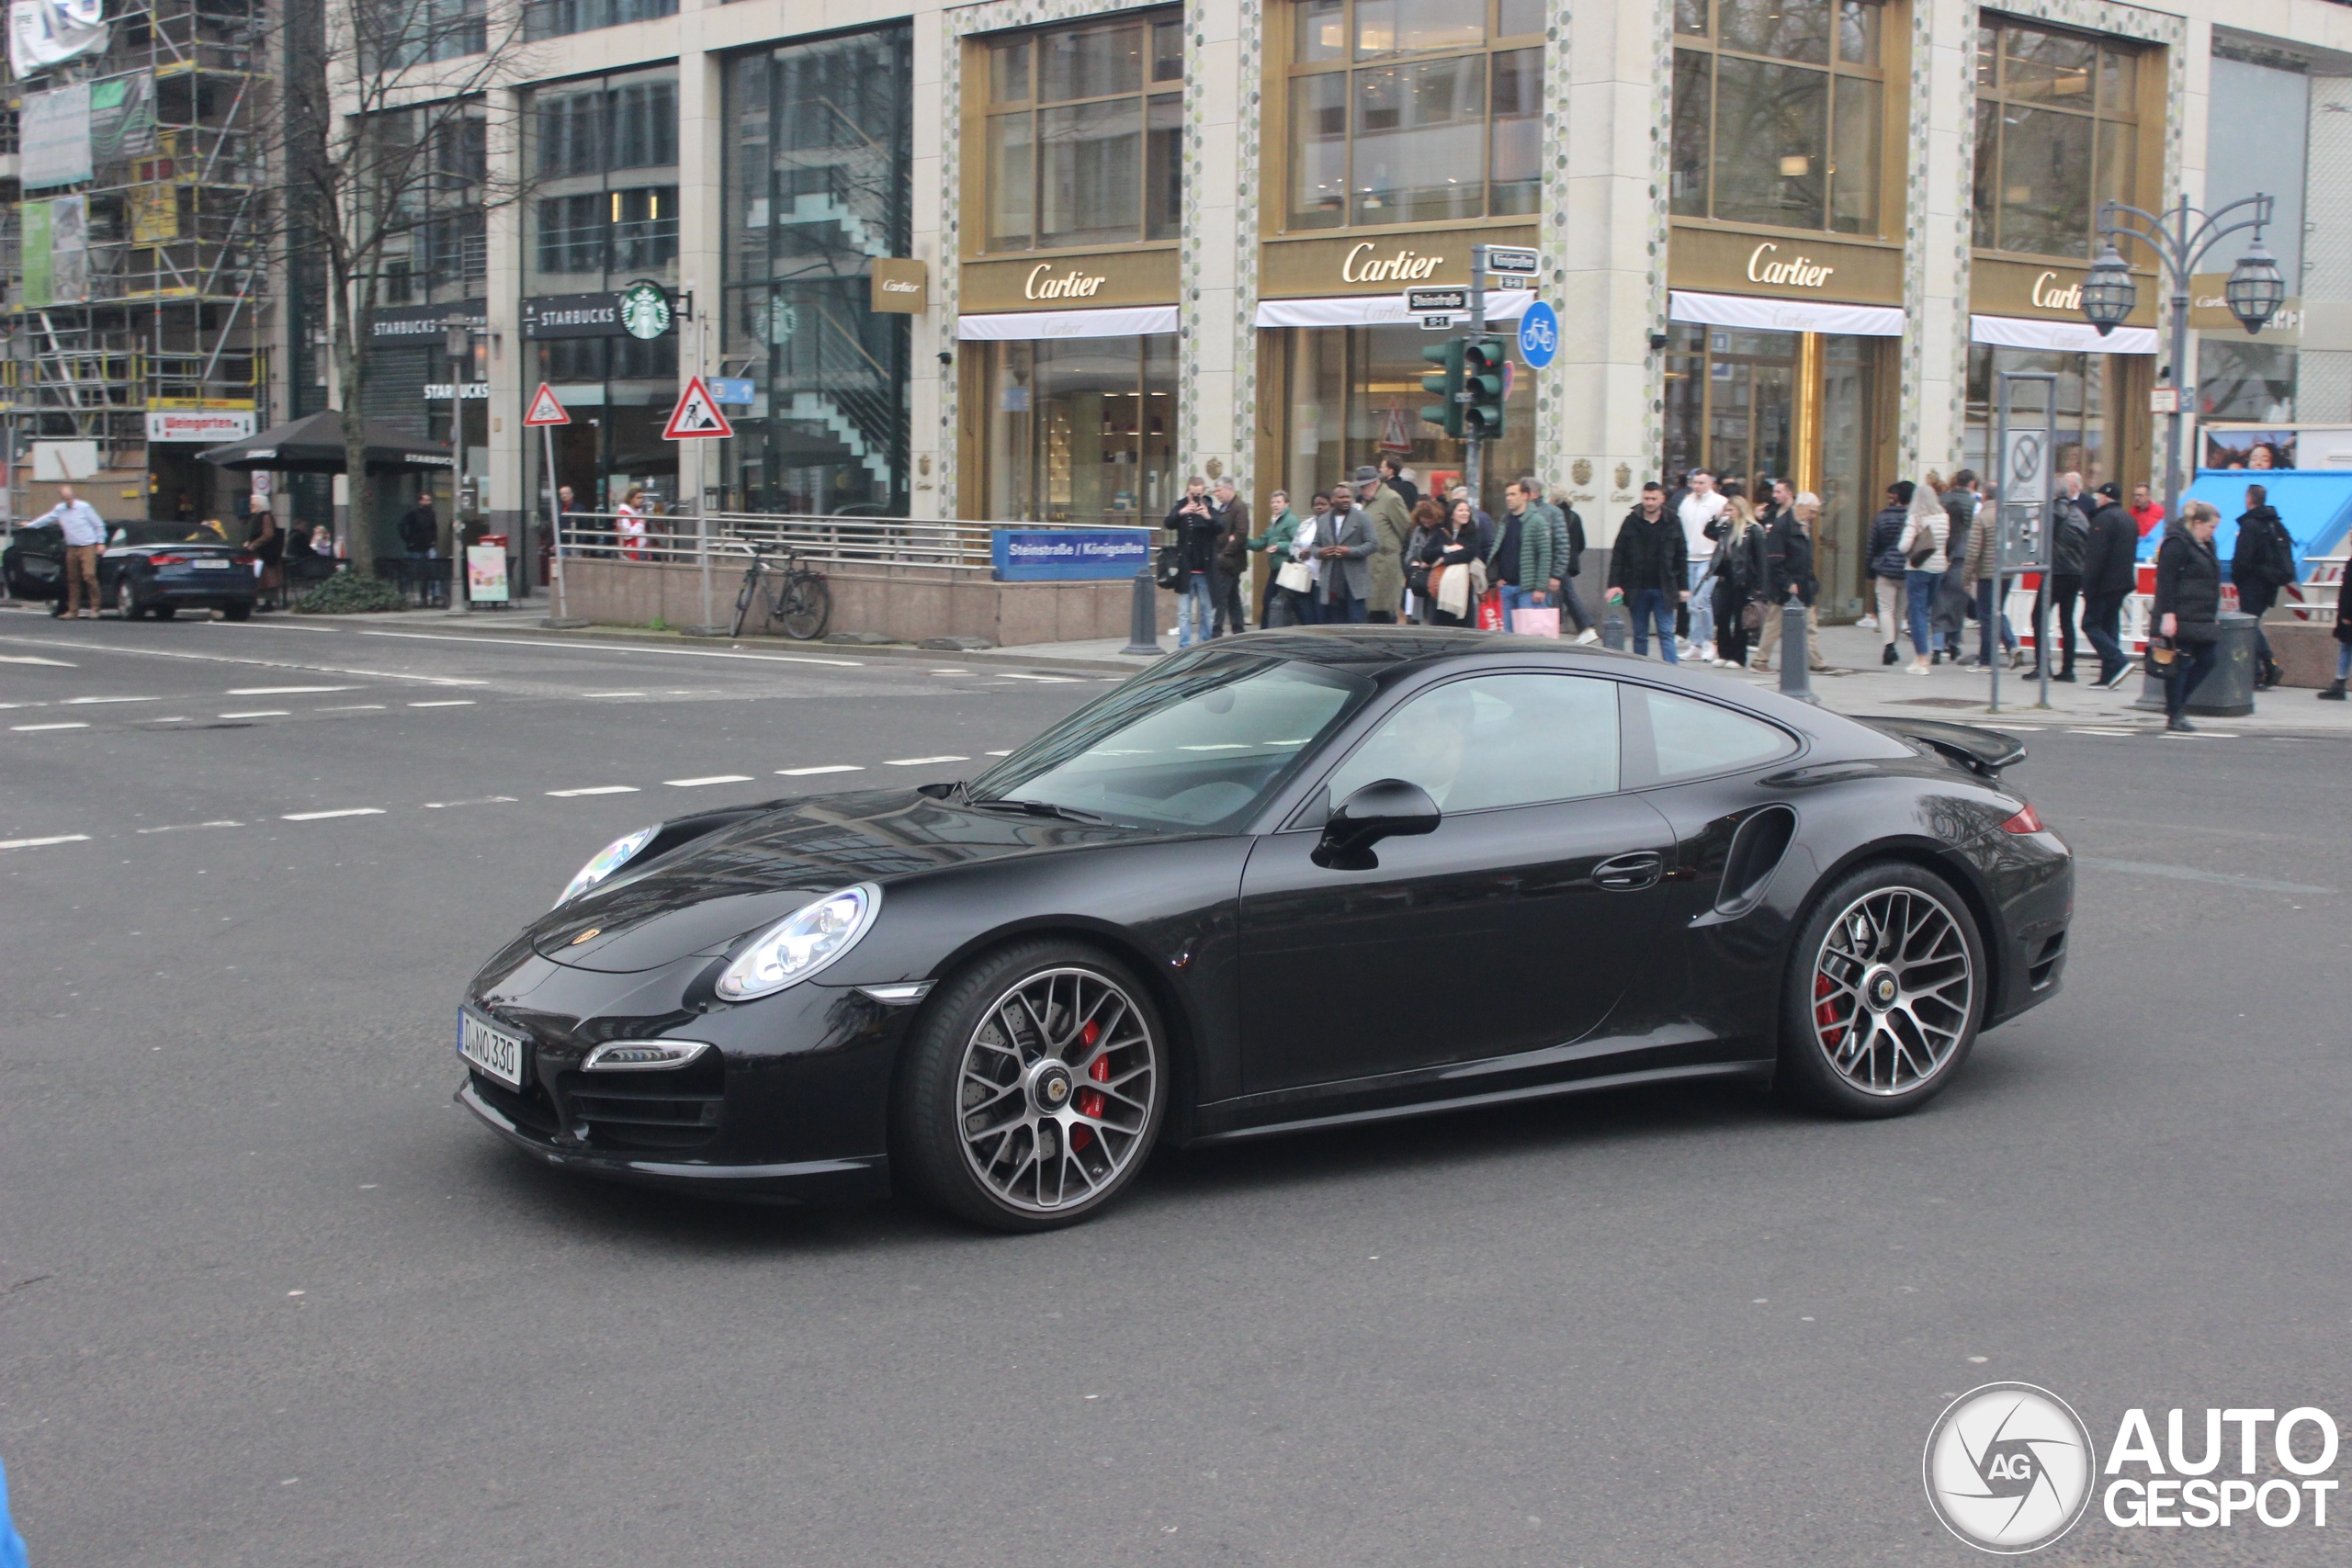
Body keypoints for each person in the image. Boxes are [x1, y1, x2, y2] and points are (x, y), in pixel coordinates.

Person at [2153, 501, 2224, 732]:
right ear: (2198, 523)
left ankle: (2176, 706)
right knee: (2180, 664)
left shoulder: (2206, 544)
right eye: (2211, 527)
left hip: (2200, 615)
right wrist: (2168, 614)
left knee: (2207, 659)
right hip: (2181, 614)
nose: (2214, 533)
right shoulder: (2176, 544)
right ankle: (2175, 713)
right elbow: (2165, 581)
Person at [1606, 481, 1689, 662]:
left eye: (1653, 498)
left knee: (1666, 633)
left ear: (1662, 499)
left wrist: (1684, 587)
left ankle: (1672, 672)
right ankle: (1641, 671)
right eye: (1646, 498)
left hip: (1664, 587)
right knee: (1640, 634)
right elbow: (1619, 554)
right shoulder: (1631, 521)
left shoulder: (1673, 521)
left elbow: (1681, 555)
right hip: (1637, 587)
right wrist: (1614, 585)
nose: (1649, 502)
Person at [1755, 490, 1834, 673]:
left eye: (1815, 512)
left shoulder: (1804, 526)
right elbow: (1775, 560)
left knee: (1810, 625)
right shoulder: (1782, 526)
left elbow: (1805, 557)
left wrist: (1811, 581)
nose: (1814, 516)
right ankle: (1760, 660)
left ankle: (1815, 660)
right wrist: (1787, 583)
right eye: (1811, 511)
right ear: (1800, 507)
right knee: (1774, 624)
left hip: (1804, 583)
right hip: (1786, 586)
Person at [2232, 483, 2296, 691]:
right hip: (2269, 583)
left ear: (2249, 498)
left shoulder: (2251, 524)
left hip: (2253, 582)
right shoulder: (2273, 523)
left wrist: (2237, 578)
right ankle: (2257, 672)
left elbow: (2243, 559)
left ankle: (2267, 664)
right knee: (2252, 623)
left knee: (2248, 624)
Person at [2078, 480, 2139, 689]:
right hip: (2122, 582)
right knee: (2110, 625)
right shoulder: (2129, 519)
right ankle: (2110, 674)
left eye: (2098, 496)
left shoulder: (2102, 520)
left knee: (2090, 624)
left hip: (2104, 583)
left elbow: (2095, 556)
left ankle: (2118, 661)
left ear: (2105, 497)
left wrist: (2087, 585)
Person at [2030, 483, 2091, 681]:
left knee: (2039, 615)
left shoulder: (2054, 512)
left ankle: (2043, 666)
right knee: (2066, 620)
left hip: (2057, 571)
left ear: (2054, 494)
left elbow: (2042, 540)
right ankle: (2068, 669)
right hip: (2076, 573)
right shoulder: (2080, 515)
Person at [1702, 481, 1766, 669]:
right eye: (1727, 509)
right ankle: (1724, 651)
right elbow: (1708, 531)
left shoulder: (1753, 531)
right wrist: (1719, 516)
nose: (1729, 513)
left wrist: (1761, 586)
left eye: (1731, 510)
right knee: (1722, 616)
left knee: (1741, 619)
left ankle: (1738, 656)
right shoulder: (1725, 528)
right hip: (1725, 577)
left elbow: (1761, 560)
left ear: (1740, 510)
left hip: (1744, 579)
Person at [1673, 468, 1727, 660]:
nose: (1697, 486)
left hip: (1709, 558)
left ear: (1711, 483)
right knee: (1691, 604)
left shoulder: (1719, 503)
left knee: (1701, 601)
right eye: (1694, 482)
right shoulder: (1686, 502)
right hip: (1689, 557)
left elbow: (1723, 531)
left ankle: (1708, 642)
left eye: (1701, 483)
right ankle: (1696, 643)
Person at [1489, 480, 1557, 633]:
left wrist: (1540, 588)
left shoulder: (1537, 521)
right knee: (1507, 633)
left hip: (1528, 589)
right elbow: (1500, 550)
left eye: (1513, 494)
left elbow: (1545, 556)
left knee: (1528, 634)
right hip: (1507, 587)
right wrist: (1497, 577)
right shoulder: (1505, 521)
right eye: (1507, 495)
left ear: (1525, 496)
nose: (1508, 498)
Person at [1163, 477, 1223, 647]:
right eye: (1192, 494)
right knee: (1184, 612)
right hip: (1186, 571)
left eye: (1198, 494)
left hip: (1205, 571)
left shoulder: (1210, 509)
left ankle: (1204, 644)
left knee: (1207, 612)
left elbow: (1220, 527)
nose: (1195, 498)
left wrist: (1207, 516)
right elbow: (1168, 523)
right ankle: (1184, 646)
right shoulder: (1181, 507)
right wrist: (1182, 512)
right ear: (1187, 492)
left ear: (1203, 493)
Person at [1898, 477, 1949, 675]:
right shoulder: (1944, 517)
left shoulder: (1916, 518)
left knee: (1916, 614)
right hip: (1938, 568)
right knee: (1926, 612)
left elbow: (1903, 546)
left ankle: (1921, 659)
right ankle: (1922, 655)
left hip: (1918, 568)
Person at [1352, 465, 1413, 623]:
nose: (1362, 491)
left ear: (1374, 483)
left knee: (1383, 614)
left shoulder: (1391, 498)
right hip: (1369, 566)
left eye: (1364, 487)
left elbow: (1404, 528)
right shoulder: (1368, 501)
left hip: (1385, 566)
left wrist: (1390, 548)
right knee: (1370, 614)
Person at [1308, 484, 1375, 623]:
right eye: (1341, 497)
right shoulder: (1323, 520)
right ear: (1333, 500)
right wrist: (1321, 552)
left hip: (1354, 580)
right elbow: (1314, 546)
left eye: (1348, 497)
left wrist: (1350, 551)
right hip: (1332, 579)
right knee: (1335, 621)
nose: (1345, 500)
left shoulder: (1362, 518)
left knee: (1356, 620)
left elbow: (1373, 544)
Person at [40, 484, 107, 619]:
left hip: (87, 545)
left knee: (89, 575)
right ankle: (73, 610)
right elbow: (47, 519)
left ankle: (95, 607)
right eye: (65, 498)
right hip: (72, 547)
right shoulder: (60, 510)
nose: (68, 501)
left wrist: (100, 542)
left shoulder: (84, 507)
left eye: (69, 497)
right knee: (72, 579)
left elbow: (98, 524)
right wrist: (29, 525)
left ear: (73, 496)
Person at [1935, 471, 1980, 663]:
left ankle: (1937, 647)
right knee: (1958, 606)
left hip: (1937, 561)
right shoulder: (1973, 505)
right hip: (1961, 562)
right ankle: (1954, 644)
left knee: (1937, 607)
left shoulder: (1941, 501)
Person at [1544, 484, 1598, 641]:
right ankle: (1583, 627)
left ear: (1554, 499)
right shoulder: (1575, 516)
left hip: (1556, 562)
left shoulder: (1553, 516)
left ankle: (1585, 626)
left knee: (1563, 594)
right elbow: (1581, 542)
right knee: (1564, 594)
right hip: (1569, 562)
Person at [1866, 481, 1911, 665]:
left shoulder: (1882, 517)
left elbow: (1872, 545)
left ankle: (1888, 645)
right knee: (1899, 612)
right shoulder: (1912, 518)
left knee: (1885, 609)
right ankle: (1894, 644)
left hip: (1885, 568)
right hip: (1907, 569)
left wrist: (1869, 567)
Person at [1418, 505, 1482, 626]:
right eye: (1461, 510)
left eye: (1467, 511)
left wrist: (1443, 559)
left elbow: (1468, 554)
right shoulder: (1441, 533)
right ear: (1452, 514)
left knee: (1462, 628)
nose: (1465, 513)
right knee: (1441, 626)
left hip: (1463, 588)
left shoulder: (1472, 533)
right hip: (1441, 587)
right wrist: (1445, 549)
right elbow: (1426, 555)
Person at [1250, 489, 1304, 627]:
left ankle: (1266, 631)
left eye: (1278, 502)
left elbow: (1297, 543)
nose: (1275, 505)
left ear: (1287, 504)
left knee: (1276, 600)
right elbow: (1261, 543)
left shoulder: (1290, 521)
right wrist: (1243, 541)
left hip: (1288, 568)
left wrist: (1280, 546)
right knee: (1282, 601)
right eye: (1273, 502)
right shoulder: (1273, 522)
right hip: (1276, 568)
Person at [1209, 477, 1251, 636]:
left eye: (1219, 490)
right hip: (1226, 561)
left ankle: (1216, 631)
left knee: (1221, 597)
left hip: (1230, 561)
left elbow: (1241, 534)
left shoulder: (1239, 507)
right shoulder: (1223, 508)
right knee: (1233, 597)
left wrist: (1223, 554)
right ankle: (1238, 629)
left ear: (1229, 488)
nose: (1216, 494)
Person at [1404, 498, 1446, 623]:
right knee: (1421, 617)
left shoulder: (1442, 532)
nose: (1426, 522)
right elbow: (1409, 554)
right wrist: (1414, 565)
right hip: (1420, 580)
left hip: (1437, 580)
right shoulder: (1418, 531)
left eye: (1430, 519)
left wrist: (1430, 563)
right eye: (1423, 519)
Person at [2320, 556, 2352, 700]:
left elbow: (2347, 589)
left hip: (2349, 613)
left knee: (2346, 647)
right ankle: (2339, 682)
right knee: (2346, 647)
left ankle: (2339, 683)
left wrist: (2345, 613)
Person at [247, 507, 284, 606]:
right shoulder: (259, 516)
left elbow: (268, 534)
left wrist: (254, 544)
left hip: (265, 553)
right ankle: (267, 601)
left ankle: (269, 602)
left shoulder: (265, 516)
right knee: (264, 578)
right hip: (264, 552)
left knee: (268, 578)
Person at [615, 487, 648, 560]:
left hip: (641, 551)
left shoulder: (638, 512)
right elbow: (627, 535)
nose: (641, 500)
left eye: (642, 497)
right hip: (632, 554)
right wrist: (640, 523)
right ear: (631, 499)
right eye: (638, 498)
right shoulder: (623, 513)